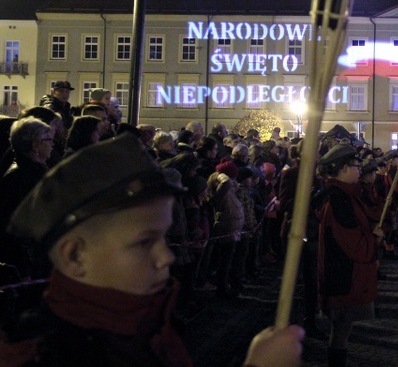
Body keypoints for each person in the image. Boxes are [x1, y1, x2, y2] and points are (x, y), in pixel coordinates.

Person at [1, 133, 303, 366]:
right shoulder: (51, 354)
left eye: (163, 237)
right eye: (144, 242)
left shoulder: (145, 325)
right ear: (74, 255)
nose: (166, 256)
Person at [317, 144, 383, 367]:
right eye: (356, 166)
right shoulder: (339, 200)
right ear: (344, 169)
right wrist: (374, 240)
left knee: (343, 329)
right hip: (344, 274)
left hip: (346, 272)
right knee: (341, 329)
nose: (359, 170)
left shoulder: (346, 196)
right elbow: (354, 244)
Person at [0, 117, 54, 279]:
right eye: (48, 139)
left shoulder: (34, 171)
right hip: (27, 263)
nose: (52, 143)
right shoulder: (21, 176)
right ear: (35, 144)